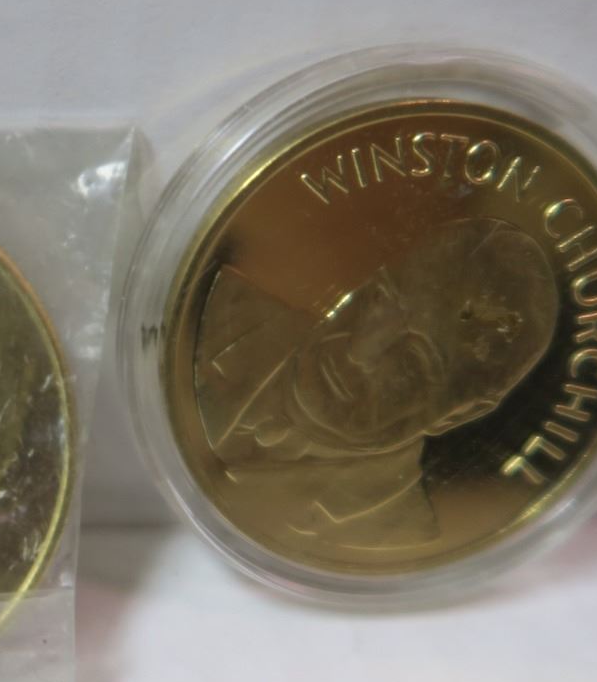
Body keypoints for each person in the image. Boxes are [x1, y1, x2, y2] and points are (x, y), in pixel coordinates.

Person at [196, 217, 558, 549]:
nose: (360, 347)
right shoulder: (221, 316)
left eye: (411, 360)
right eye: (382, 300)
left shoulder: (398, 534)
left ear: (457, 415)